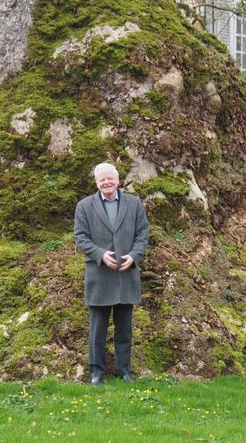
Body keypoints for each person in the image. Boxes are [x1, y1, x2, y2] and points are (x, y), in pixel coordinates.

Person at [74, 162, 150, 386]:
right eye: (101, 180)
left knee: (124, 329)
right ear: (96, 183)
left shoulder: (134, 204)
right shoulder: (84, 206)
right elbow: (81, 237)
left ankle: (123, 371)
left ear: (118, 180)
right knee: (97, 330)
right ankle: (96, 372)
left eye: (110, 178)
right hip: (99, 275)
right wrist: (99, 254)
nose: (106, 183)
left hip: (126, 274)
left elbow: (142, 233)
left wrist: (135, 256)